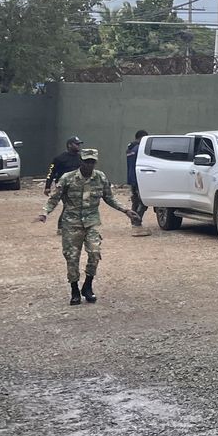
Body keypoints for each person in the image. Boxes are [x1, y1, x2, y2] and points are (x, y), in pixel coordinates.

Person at [37, 148, 137, 305]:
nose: (89, 165)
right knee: (72, 257)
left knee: (94, 253)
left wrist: (125, 210)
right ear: (81, 161)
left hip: (91, 222)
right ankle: (74, 290)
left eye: (92, 162)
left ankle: (88, 286)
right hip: (72, 223)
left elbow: (109, 198)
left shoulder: (100, 178)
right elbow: (54, 198)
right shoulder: (68, 178)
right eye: (86, 161)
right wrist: (45, 213)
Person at [125, 130, 148, 228]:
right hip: (140, 178)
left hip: (132, 178)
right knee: (143, 201)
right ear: (142, 138)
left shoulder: (130, 148)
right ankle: (137, 221)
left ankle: (133, 220)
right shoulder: (139, 148)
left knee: (135, 200)